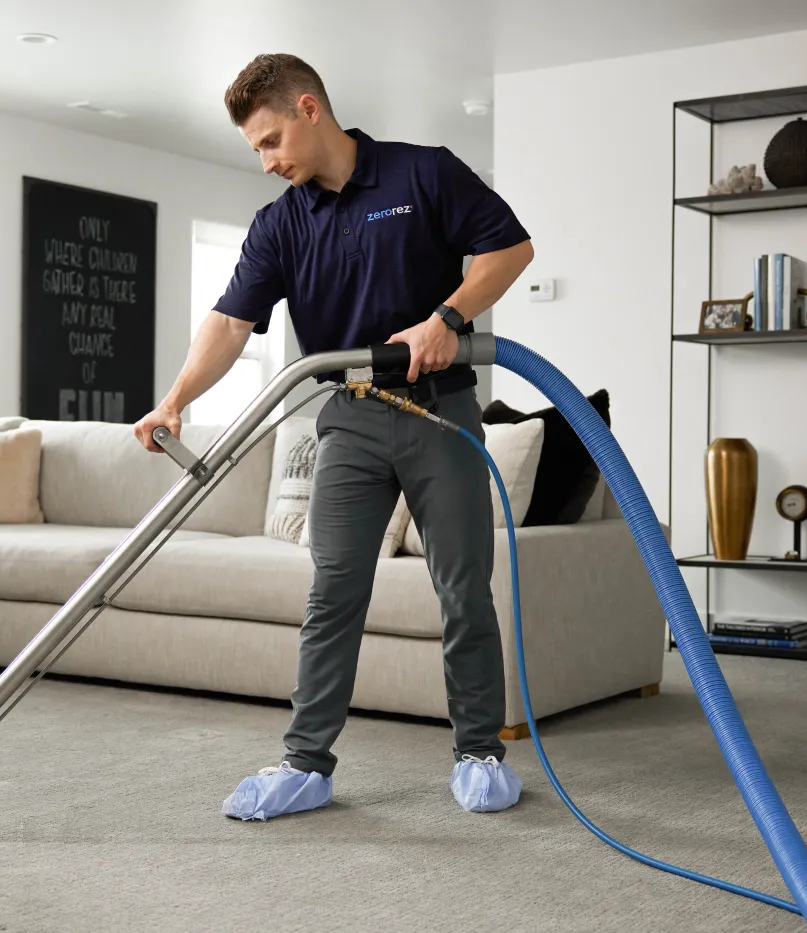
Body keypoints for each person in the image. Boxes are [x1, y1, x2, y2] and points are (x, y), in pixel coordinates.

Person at [131, 53, 536, 820]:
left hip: (440, 409)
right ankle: (306, 764)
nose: (266, 160)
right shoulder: (281, 222)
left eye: (270, 139)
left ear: (310, 109)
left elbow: (509, 249)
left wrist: (447, 317)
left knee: (460, 589)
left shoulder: (422, 175)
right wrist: (175, 399)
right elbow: (228, 321)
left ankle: (478, 748)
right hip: (347, 418)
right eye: (256, 147)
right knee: (333, 592)